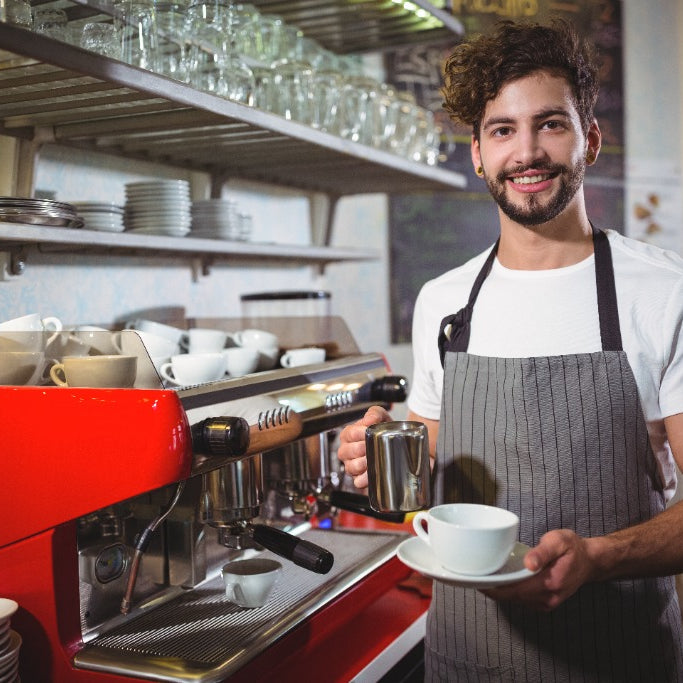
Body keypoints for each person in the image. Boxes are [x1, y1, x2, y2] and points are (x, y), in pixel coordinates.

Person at [338, 19, 683, 682]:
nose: (526, 152)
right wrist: (382, 450)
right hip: (465, 658)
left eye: (550, 124)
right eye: (502, 130)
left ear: (591, 138)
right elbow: (430, 454)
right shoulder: (445, 303)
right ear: (476, 152)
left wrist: (599, 556)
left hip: (618, 657)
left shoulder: (663, 291)